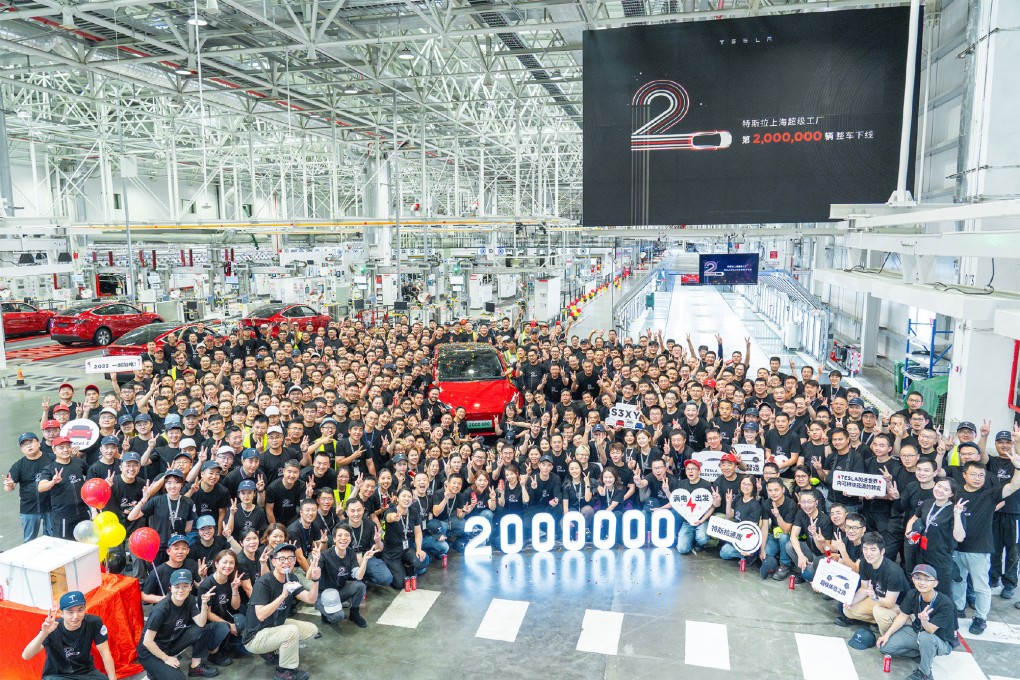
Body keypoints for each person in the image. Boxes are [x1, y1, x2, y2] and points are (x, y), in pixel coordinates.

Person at [243, 543, 320, 680]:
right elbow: (260, 615)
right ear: (273, 562)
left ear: (294, 561)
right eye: (282, 559)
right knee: (291, 631)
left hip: (274, 625)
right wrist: (283, 595)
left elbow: (310, 599)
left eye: (290, 558)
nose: (286, 562)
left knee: (312, 629)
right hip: (255, 636)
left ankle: (270, 649)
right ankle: (285, 672)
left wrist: (315, 580)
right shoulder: (263, 583)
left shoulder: (292, 579)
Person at [877, 564, 958, 680]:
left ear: (935, 583)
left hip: (940, 640)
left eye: (927, 579)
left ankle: (925, 673)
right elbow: (903, 616)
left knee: (926, 637)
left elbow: (930, 630)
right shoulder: (913, 594)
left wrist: (924, 620)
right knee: (885, 648)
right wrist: (887, 635)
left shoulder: (946, 603)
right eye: (918, 578)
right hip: (918, 632)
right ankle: (923, 653)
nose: (922, 582)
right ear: (913, 580)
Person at [137, 568, 220, 679]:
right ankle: (154, 670)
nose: (181, 590)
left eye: (185, 586)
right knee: (178, 678)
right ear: (170, 588)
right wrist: (166, 659)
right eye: (177, 587)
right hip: (150, 652)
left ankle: (195, 667)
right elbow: (147, 642)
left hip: (170, 643)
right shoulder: (161, 610)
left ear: (191, 587)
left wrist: (204, 605)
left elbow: (200, 623)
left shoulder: (189, 599)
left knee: (203, 629)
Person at [21, 590, 117, 680]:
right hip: (57, 675)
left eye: (80, 610)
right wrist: (43, 634)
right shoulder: (52, 628)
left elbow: (105, 653)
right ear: (62, 614)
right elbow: (26, 656)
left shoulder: (93, 622)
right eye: (70, 612)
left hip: (85, 672)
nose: (75, 616)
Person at [838, 532, 909, 633]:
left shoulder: (893, 572)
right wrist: (852, 601)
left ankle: (894, 629)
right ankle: (880, 622)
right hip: (878, 598)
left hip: (898, 606)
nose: (868, 553)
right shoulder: (864, 563)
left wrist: (875, 598)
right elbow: (863, 588)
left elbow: (889, 603)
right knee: (847, 609)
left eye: (873, 549)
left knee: (879, 612)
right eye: (865, 549)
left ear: (882, 551)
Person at [317, 523, 370, 628]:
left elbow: (358, 576)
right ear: (335, 539)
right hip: (324, 595)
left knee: (360, 585)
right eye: (340, 535)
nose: (343, 538)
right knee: (338, 616)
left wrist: (365, 561)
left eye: (347, 535)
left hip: (339, 590)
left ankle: (354, 614)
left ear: (350, 538)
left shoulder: (351, 553)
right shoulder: (325, 555)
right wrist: (314, 561)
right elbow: (311, 576)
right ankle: (324, 611)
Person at [5, 431, 54, 542]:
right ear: (22, 449)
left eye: (31, 442)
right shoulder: (18, 466)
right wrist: (9, 485)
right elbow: (9, 488)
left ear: (39, 443)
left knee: (53, 538)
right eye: (25, 445)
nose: (29, 446)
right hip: (29, 509)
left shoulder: (52, 458)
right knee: (29, 541)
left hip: (51, 506)